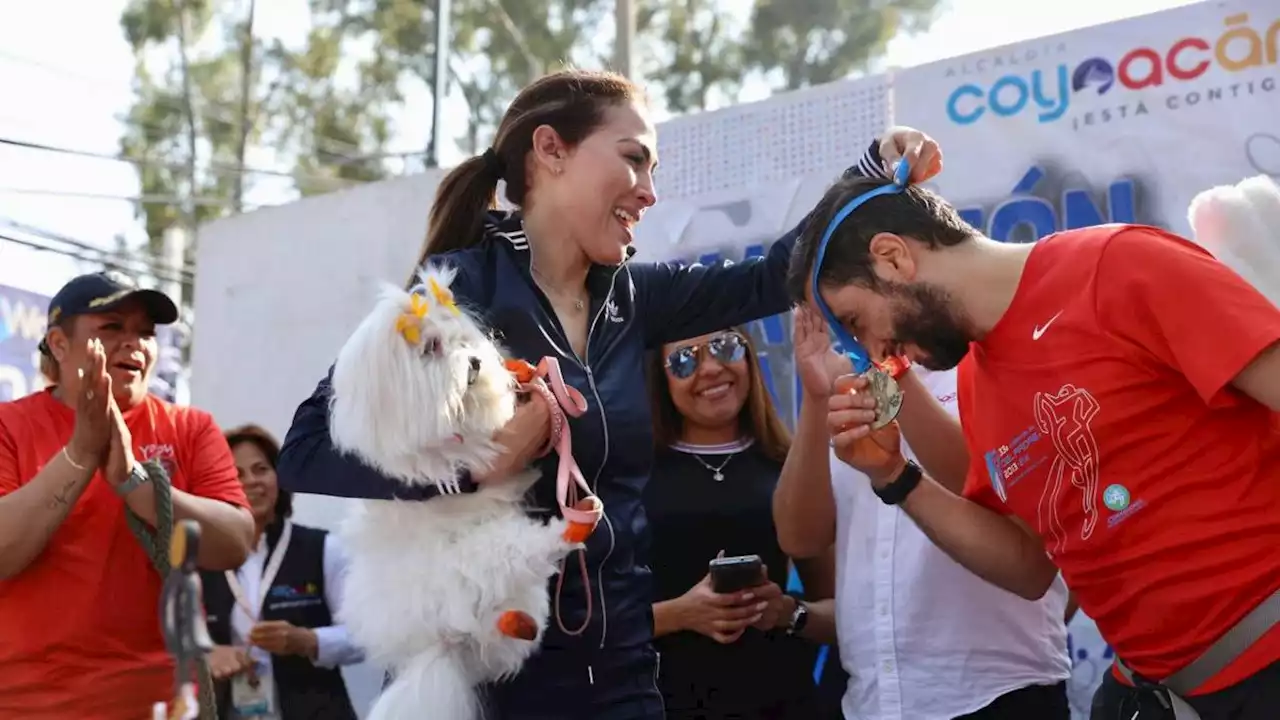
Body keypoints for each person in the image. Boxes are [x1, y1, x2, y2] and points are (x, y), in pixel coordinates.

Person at [277, 67, 943, 719]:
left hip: (622, 674)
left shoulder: (636, 296)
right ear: (550, 151)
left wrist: (870, 169)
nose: (649, 191)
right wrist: (473, 468)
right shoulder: (456, 291)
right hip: (486, 679)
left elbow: (775, 275)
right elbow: (303, 451)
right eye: (634, 160)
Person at [785, 174, 1280, 720]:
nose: (870, 353)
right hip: (1162, 694)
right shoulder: (978, 381)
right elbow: (1028, 568)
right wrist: (895, 477)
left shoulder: (1118, 265)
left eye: (855, 323)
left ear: (893, 257)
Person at [775, 305, 1071, 720]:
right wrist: (816, 396)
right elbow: (799, 538)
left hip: (996, 689)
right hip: (876, 699)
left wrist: (893, 369)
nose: (836, 321)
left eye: (842, 303)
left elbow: (999, 501)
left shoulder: (987, 356)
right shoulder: (847, 385)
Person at [0, 271, 254, 718]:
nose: (134, 343)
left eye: (145, 332)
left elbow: (235, 542)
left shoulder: (190, 428)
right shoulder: (9, 425)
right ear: (59, 344)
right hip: (32, 704)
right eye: (113, 327)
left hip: (165, 702)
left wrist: (136, 483)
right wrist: (81, 452)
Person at [645, 326, 840, 719]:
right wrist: (681, 613)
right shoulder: (630, 477)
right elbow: (594, 624)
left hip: (782, 701)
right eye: (684, 360)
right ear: (659, 379)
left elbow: (844, 613)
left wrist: (785, 611)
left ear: (749, 353)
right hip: (666, 704)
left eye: (725, 347)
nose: (712, 368)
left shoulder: (790, 466)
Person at [203, 424, 364, 720]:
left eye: (261, 469)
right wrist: (208, 656)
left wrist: (310, 641)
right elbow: (172, 643)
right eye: (236, 474)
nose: (251, 481)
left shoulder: (325, 548)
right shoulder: (203, 560)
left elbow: (365, 636)